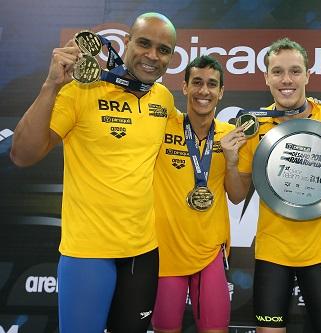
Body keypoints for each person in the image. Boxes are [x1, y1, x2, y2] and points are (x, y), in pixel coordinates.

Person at [10, 13, 177, 333]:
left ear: (171, 57)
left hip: (142, 255)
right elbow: (22, 154)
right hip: (87, 254)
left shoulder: (164, 100)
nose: (153, 55)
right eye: (144, 43)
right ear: (127, 43)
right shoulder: (80, 91)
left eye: (163, 49)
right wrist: (51, 85)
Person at [225, 37, 321, 333]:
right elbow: (236, 196)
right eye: (277, 72)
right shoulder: (255, 125)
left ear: (308, 75)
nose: (286, 80)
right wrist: (232, 162)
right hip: (272, 254)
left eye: (295, 71)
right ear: (266, 77)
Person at [151, 55, 247, 333]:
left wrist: (230, 160)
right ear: (184, 87)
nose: (204, 91)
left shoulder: (231, 136)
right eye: (197, 83)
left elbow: (238, 196)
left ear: (221, 92)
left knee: (215, 329)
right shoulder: (163, 125)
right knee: (166, 329)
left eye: (212, 85)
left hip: (209, 252)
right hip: (166, 250)